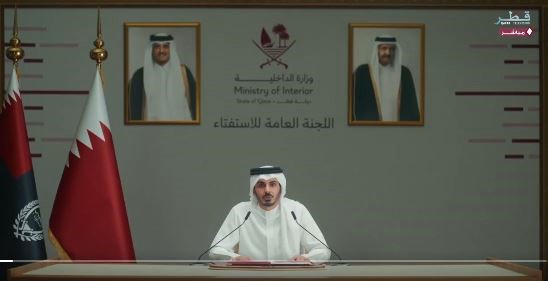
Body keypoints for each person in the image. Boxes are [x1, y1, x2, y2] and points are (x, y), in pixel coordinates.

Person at [209, 166, 331, 261]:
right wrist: (234, 258)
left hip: (289, 277)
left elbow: (323, 251)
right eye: (261, 185)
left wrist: (306, 258)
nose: (267, 190)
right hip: (249, 277)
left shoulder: (297, 210)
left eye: (272, 184)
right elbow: (215, 251)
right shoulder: (240, 211)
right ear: (253, 189)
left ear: (280, 188)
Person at [128, 33, 196, 121]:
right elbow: (134, 111)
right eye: (157, 47)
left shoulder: (184, 73)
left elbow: (196, 105)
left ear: (171, 49)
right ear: (151, 49)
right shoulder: (139, 75)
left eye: (165, 46)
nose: (161, 51)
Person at [352, 35, 420, 121]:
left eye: (392, 49)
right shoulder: (362, 72)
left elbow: (411, 105)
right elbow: (354, 104)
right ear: (377, 49)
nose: (388, 52)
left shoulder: (405, 73)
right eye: (384, 48)